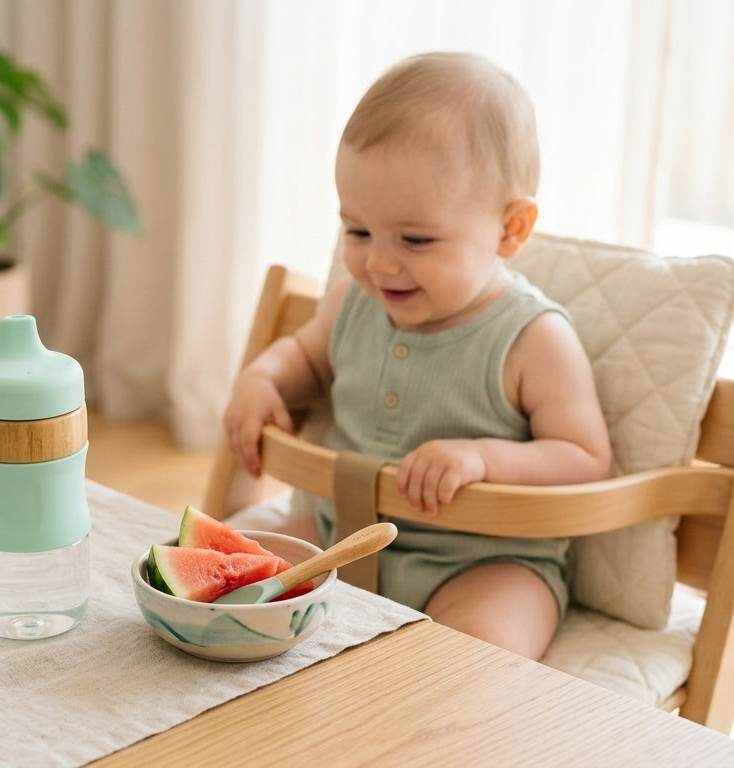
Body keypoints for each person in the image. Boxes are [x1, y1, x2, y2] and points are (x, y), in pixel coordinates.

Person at [223, 52, 611, 660]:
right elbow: (304, 358)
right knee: (233, 586)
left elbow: (586, 459)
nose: (379, 262)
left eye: (416, 239)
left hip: (484, 561)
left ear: (511, 228)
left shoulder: (532, 338)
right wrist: (262, 378)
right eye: (357, 231)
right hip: (340, 535)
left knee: (474, 661)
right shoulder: (354, 301)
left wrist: (482, 457)